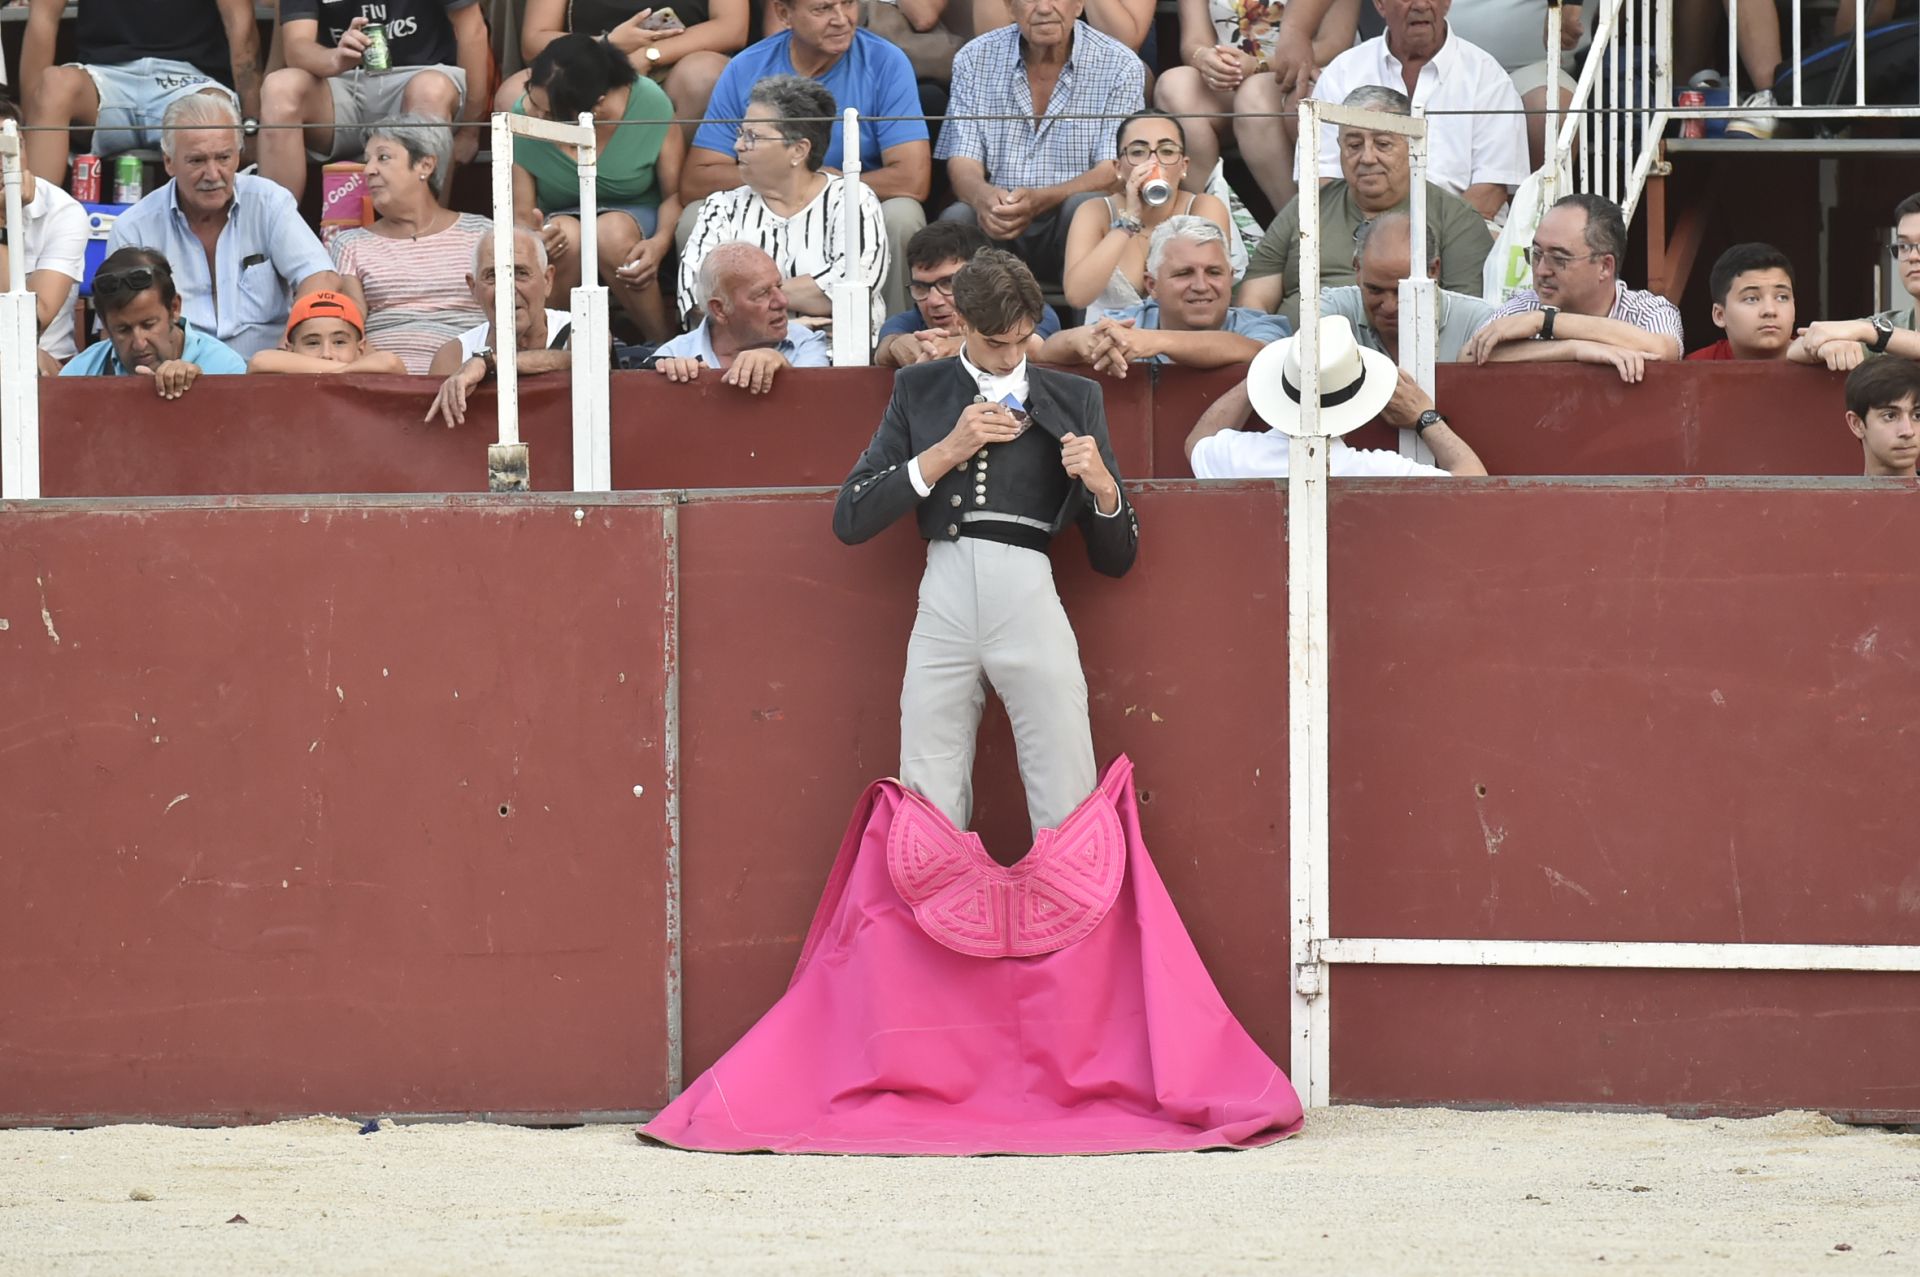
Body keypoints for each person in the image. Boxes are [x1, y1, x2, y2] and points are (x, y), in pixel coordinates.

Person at [833, 247, 1136, 835]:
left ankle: (1074, 924)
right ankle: (934, 927)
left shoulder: (1073, 399)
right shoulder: (920, 389)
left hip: (1028, 587)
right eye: (998, 342)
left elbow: (1117, 556)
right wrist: (948, 450)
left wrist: (1101, 484)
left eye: (1023, 341)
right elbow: (851, 516)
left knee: (1065, 771)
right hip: (942, 592)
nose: (1012, 357)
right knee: (927, 778)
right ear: (963, 323)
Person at [679, 0, 930, 315]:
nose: (842, 19)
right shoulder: (746, 67)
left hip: (851, 202)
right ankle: (717, 347)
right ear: (784, 15)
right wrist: (785, 177)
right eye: (822, 9)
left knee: (903, 214)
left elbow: (913, 179)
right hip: (764, 198)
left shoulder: (886, 61)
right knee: (692, 215)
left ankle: (892, 342)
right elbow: (698, 177)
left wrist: (819, 183)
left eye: (849, 3)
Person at [106, 94, 341, 363]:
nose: (213, 174)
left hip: (268, 370)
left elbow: (322, 279)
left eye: (223, 158)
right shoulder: (134, 227)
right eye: (197, 161)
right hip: (176, 381)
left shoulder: (269, 201)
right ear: (169, 162)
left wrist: (285, 349)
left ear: (239, 156)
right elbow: (118, 324)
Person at [1237, 85, 1492, 328]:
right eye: (1354, 145)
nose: (1367, 158)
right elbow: (1254, 300)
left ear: (1412, 146)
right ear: (1339, 148)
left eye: (1382, 144)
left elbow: (1463, 318)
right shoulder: (1307, 205)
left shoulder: (1456, 218)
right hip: (1297, 359)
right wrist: (1271, 350)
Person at [937, 0, 1146, 284]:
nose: (1045, 8)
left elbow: (1113, 170)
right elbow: (962, 159)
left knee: (1086, 207)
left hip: (1068, 220)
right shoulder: (973, 58)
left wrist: (1043, 199)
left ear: (1079, 4)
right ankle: (965, 328)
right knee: (959, 216)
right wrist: (982, 196)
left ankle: (1095, 327)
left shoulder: (1120, 64)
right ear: (1010, 8)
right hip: (999, 217)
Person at [675, 76, 888, 339]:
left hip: (835, 360)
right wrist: (792, 326)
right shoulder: (722, 207)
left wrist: (742, 302)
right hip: (741, 364)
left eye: (752, 136)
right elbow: (696, 297)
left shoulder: (851, 198)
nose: (737, 145)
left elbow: (851, 290)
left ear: (798, 150)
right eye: (741, 133)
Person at [512, 35, 682, 340]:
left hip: (635, 214)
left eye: (550, 114)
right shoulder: (524, 116)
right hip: (562, 213)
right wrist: (536, 239)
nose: (536, 115)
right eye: (532, 99)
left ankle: (660, 343)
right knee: (564, 235)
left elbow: (674, 195)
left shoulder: (649, 103)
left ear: (596, 105)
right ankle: (554, 345)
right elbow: (521, 212)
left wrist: (659, 243)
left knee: (610, 232)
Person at [1294, 0, 1529, 221]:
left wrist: (1423, 241)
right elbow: (1321, 180)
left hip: (1460, 231)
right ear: (1379, 4)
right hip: (1360, 233)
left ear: (1447, 2)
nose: (1420, 5)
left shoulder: (1487, 77)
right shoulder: (1344, 72)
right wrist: (1374, 237)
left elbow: (1490, 193)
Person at [1185, 314, 1488, 477]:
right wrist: (1426, 418)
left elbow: (1197, 442)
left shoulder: (1238, 457)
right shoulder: (1375, 471)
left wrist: (1262, 376)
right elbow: (1473, 481)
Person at [258, 0, 490, 203]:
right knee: (279, 88)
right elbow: (297, 45)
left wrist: (470, 131)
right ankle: (273, 237)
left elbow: (473, 30)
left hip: (422, 74)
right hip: (341, 80)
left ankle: (423, 239)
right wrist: (334, 58)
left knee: (430, 89)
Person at [18, 0, 258, 185]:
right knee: (54, 83)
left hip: (187, 81)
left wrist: (251, 127)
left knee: (212, 113)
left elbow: (241, 27)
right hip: (105, 78)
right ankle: (28, 234)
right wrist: (28, 129)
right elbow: (43, 18)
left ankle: (215, 245)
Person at [1155, 0, 1360, 212]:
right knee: (1173, 86)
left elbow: (1334, 43)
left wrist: (1258, 66)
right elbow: (1193, 42)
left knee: (1253, 95)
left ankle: (1298, 226)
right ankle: (1217, 219)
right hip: (1231, 77)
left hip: (1298, 73)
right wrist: (1205, 59)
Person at [328, 115, 492, 374]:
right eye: (367, 160)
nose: (368, 170)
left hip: (471, 381)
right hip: (386, 384)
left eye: (382, 157)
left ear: (425, 165)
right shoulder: (350, 244)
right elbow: (351, 328)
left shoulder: (482, 233)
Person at [1461, 193, 1683, 382]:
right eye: (1536, 254)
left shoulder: (1647, 310)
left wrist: (1545, 322)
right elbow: (1468, 357)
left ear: (1605, 267)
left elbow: (1663, 350)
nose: (1541, 271)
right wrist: (1573, 349)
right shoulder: (1526, 305)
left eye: (1559, 259)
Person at [1042, 216, 1288, 374]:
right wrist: (1079, 340)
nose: (1201, 285)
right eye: (1184, 273)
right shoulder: (1128, 323)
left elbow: (1257, 351)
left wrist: (1154, 341)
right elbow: (1045, 353)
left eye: (1214, 272)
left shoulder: (1261, 325)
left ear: (1230, 276)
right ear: (1152, 285)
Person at [1060, 113, 1231, 325]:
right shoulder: (1094, 211)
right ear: (1118, 168)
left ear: (1184, 166)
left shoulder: (1203, 206)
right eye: (1138, 152)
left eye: (1167, 151)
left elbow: (1207, 288)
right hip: (1106, 343)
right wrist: (1128, 222)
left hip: (1182, 343)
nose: (1153, 163)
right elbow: (1077, 296)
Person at [497, 0, 747, 128]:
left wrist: (648, 55)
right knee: (514, 94)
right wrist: (607, 45)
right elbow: (534, 39)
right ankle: (546, 204)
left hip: (675, 64)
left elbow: (732, 27)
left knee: (705, 75)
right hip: (587, 64)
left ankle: (674, 193)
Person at [426, 229, 575, 427]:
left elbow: (589, 359)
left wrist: (488, 363)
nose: (507, 289)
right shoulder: (454, 356)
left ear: (547, 280)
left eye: (520, 273)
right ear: (473, 288)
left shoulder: (581, 326)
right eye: (493, 275)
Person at [873, 221, 1063, 366]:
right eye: (921, 287)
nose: (933, 301)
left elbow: (1035, 347)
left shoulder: (1029, 310)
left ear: (983, 275)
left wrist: (958, 346)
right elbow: (885, 346)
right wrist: (899, 345)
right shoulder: (909, 321)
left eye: (949, 282)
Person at [652, 241, 832, 393]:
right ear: (720, 309)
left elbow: (815, 409)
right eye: (762, 294)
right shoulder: (673, 356)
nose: (782, 301)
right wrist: (675, 388)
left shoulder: (806, 343)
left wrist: (784, 369)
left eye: (779, 287)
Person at [60, 247, 247, 393]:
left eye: (148, 325)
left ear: (174, 308)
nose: (139, 344)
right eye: (123, 330)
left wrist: (201, 391)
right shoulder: (79, 373)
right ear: (105, 324)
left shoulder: (226, 368)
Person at [1321, 211, 1496, 364]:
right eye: (1375, 290)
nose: (1389, 306)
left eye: (1401, 292)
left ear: (1433, 270)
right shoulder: (1334, 310)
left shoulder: (1478, 322)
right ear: (1357, 268)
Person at [0, 93, 88, 368]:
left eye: (12, 150)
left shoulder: (62, 212)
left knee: (24, 360)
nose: (4, 166)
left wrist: (3, 220)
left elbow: (29, 323)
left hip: (41, 361)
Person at [1446, 0, 1583, 170]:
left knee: (1549, 111)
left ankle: (1537, 196)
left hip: (1528, 69)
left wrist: (1570, 3)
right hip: (1441, 67)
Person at [1790, 194, 1920, 372]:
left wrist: (1871, 332)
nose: (1913, 256)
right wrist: (1826, 348)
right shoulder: (1891, 324)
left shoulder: (1874, 330)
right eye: (1904, 246)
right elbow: (1796, 348)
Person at [246, 289, 409, 374]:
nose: (326, 353)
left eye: (339, 342)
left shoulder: (370, 371)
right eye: (312, 343)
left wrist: (337, 372)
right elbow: (259, 362)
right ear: (290, 349)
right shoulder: (281, 371)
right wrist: (341, 370)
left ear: (360, 348)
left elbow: (391, 363)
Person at [1687, 243, 1796, 362]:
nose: (1770, 310)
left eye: (1782, 297)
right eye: (1751, 299)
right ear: (1720, 315)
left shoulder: (1816, 361)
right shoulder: (1698, 365)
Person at [1844, 354, 1920, 479]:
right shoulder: (1838, 498)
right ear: (1857, 424)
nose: (1908, 431)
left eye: (1917, 416)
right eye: (1890, 416)